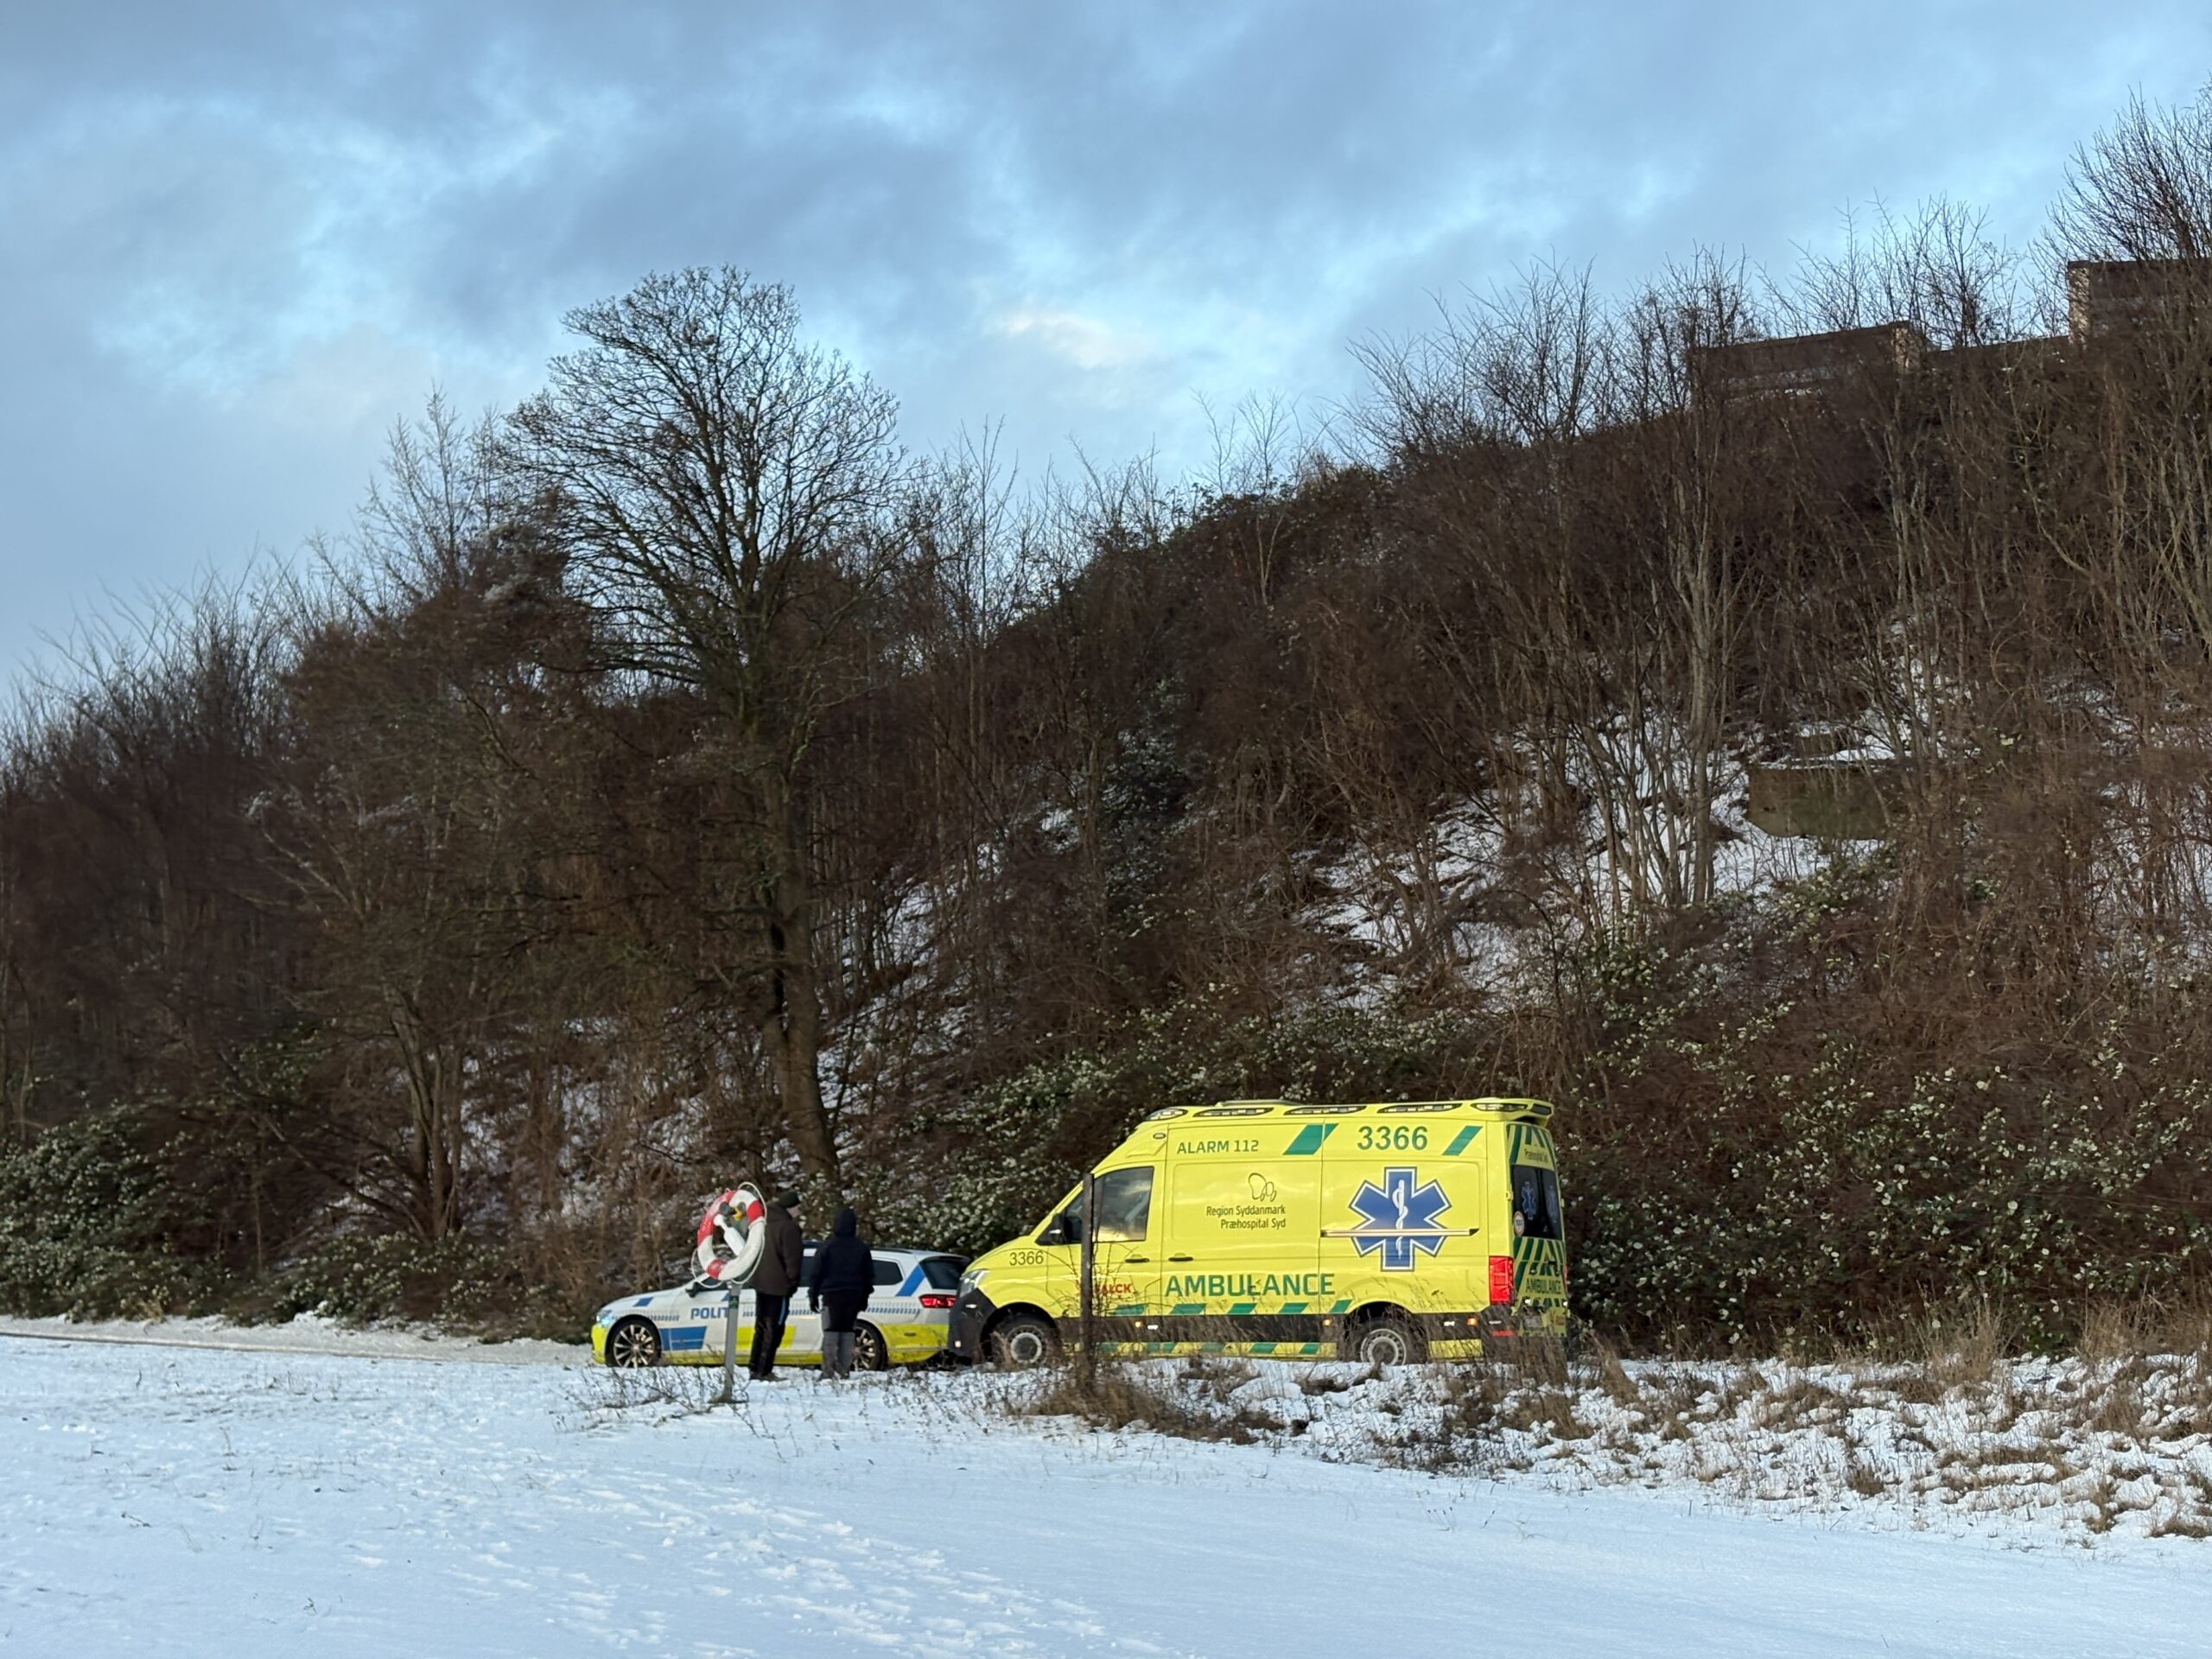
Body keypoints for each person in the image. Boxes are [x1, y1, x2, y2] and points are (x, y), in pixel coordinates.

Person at [806, 1206, 874, 1379]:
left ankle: (828, 1371)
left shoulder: (827, 1246)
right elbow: (868, 1276)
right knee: (848, 1332)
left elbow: (816, 1273)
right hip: (853, 1296)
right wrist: (864, 1297)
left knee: (831, 1331)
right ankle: (844, 1369)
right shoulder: (861, 1248)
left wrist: (813, 1295)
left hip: (831, 1295)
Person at [747, 1188, 804, 1381]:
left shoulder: (762, 1223)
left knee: (761, 1327)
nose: (798, 1211)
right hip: (779, 1286)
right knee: (775, 1328)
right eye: (797, 1207)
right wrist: (792, 1282)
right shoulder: (788, 1228)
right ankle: (765, 1370)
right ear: (790, 1207)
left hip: (760, 1283)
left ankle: (755, 1366)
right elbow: (792, 1259)